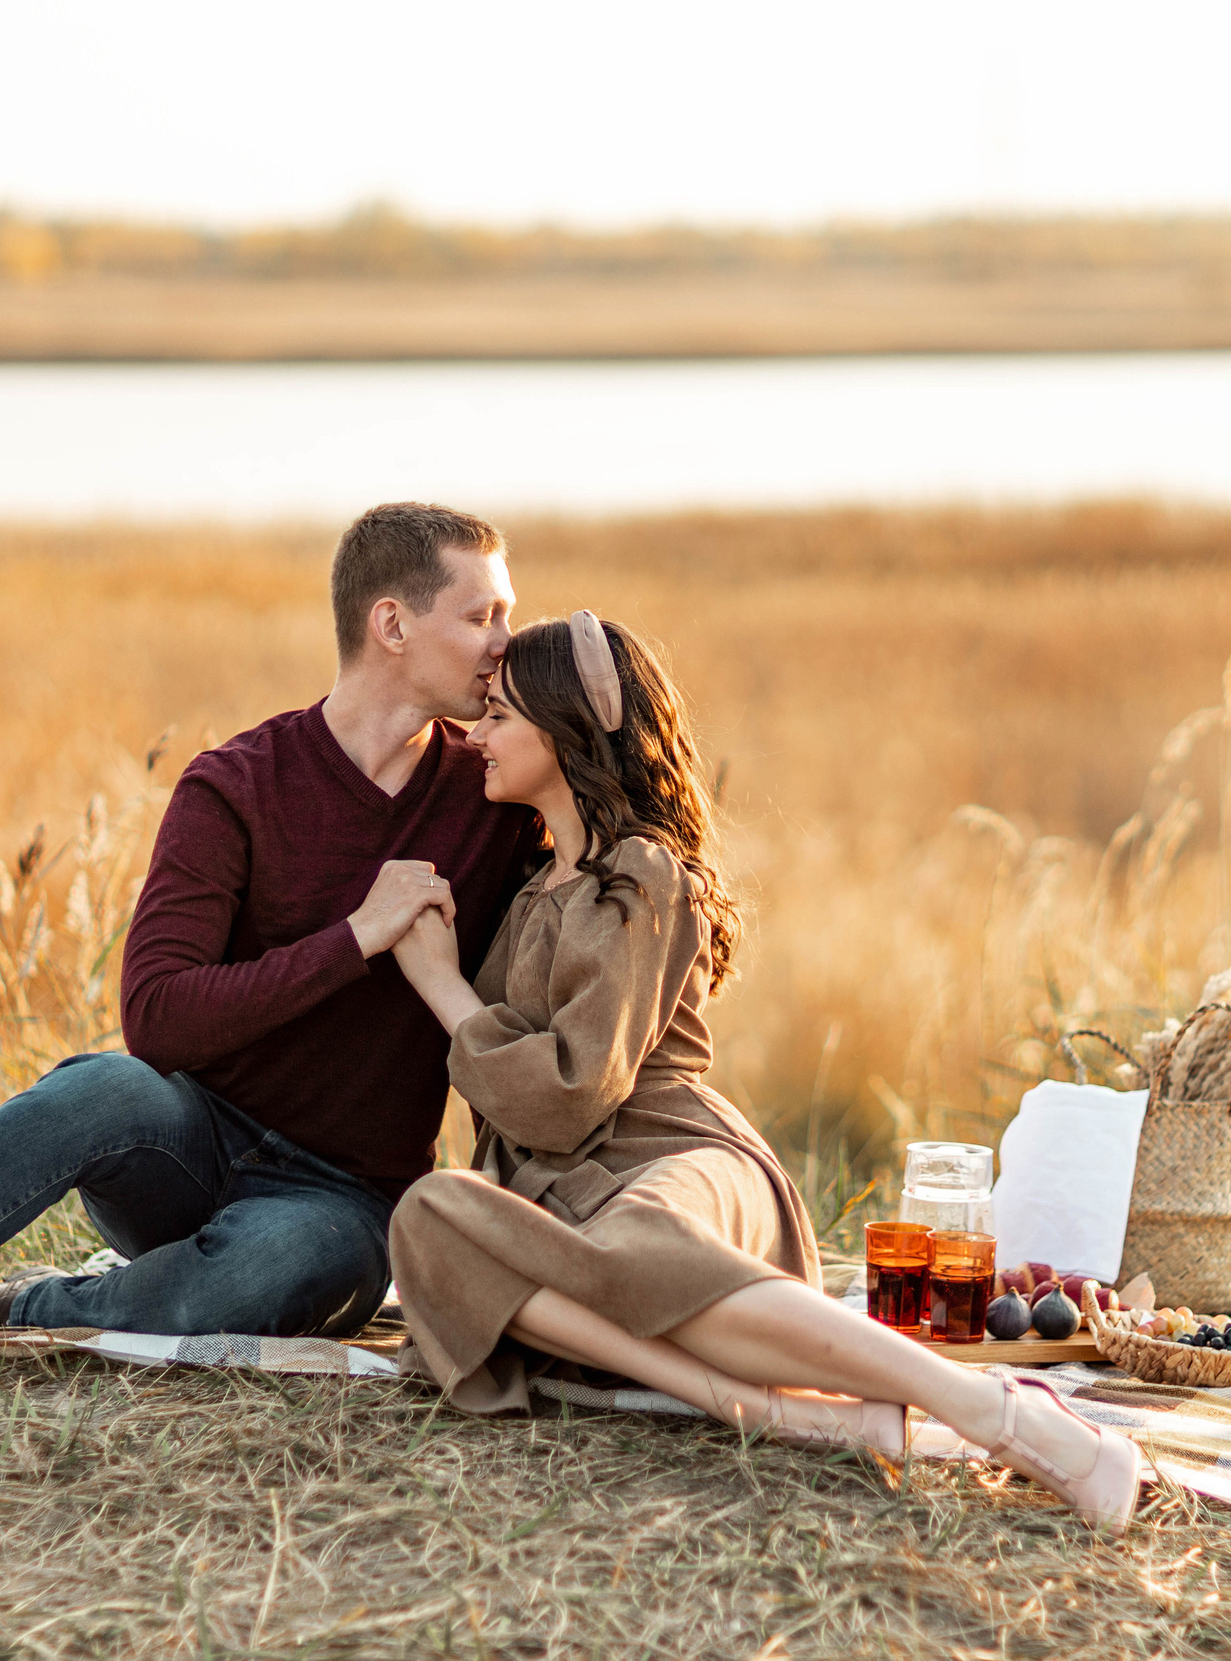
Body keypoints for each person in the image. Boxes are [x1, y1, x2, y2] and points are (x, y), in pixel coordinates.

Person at [0, 502, 544, 1418]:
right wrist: (354, 937)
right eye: (483, 617)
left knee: (268, 1274)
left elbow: (603, 863)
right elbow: (156, 1017)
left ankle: (5, 1307)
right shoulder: (234, 786)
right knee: (95, 1090)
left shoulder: (497, 797)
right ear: (390, 623)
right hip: (190, 1142)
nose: (506, 643)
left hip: (342, 1203)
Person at [381, 611, 1142, 1531]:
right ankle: (754, 1404)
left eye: (499, 716)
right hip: (562, 1193)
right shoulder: (529, 888)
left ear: (568, 730)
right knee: (425, 1219)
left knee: (636, 1243)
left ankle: (995, 1412)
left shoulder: (646, 874)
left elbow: (572, 1093)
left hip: (676, 1154)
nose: (477, 735)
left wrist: (439, 985)